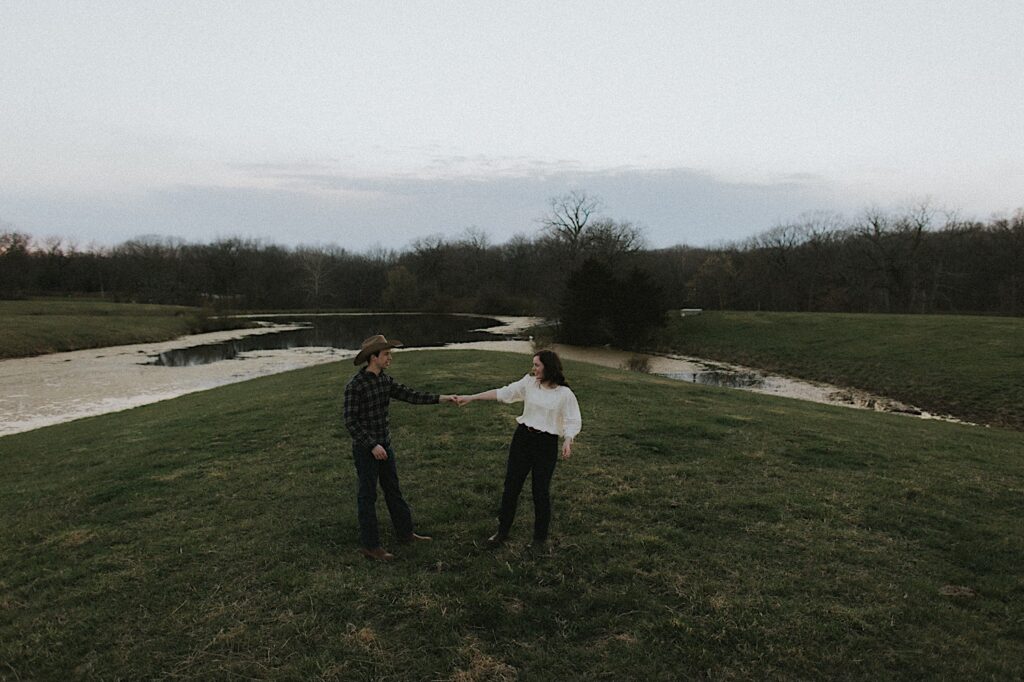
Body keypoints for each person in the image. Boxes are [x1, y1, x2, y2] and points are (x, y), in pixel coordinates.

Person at [344, 334, 457, 561]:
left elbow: (411, 395)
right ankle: (371, 546)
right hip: (367, 450)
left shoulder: (385, 381)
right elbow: (351, 422)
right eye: (386, 354)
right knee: (367, 497)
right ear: (372, 357)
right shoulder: (355, 386)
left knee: (393, 491)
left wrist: (443, 398)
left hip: (385, 446)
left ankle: (406, 534)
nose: (389, 358)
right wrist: (372, 445)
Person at [456, 350, 581, 547]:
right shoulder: (529, 383)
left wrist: (568, 439)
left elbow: (573, 419)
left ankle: (539, 540)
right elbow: (503, 392)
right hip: (523, 439)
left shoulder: (564, 394)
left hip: (546, 445)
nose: (533, 369)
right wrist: (471, 397)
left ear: (548, 367)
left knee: (540, 492)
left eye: (537, 365)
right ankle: (502, 532)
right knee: (511, 488)